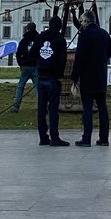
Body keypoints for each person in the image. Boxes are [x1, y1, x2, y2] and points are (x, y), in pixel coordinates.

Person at [71, 11, 111, 146]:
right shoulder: (104, 34)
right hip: (101, 76)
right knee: (102, 109)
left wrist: (74, 76)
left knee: (88, 108)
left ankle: (86, 138)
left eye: (82, 21)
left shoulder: (84, 36)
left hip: (87, 77)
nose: (81, 24)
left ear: (86, 21)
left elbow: (79, 57)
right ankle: (104, 138)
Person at [36, 15, 69, 146]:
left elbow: (33, 53)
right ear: (60, 27)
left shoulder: (40, 37)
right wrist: (59, 74)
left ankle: (43, 137)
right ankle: (54, 137)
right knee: (53, 109)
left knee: (41, 108)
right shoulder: (60, 40)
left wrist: (39, 65)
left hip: (41, 77)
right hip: (53, 78)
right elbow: (63, 60)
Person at [10, 21, 39, 112]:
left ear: (27, 29)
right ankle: (41, 107)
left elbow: (18, 54)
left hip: (25, 66)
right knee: (38, 88)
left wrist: (21, 64)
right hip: (35, 66)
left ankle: (16, 107)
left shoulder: (23, 40)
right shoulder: (38, 40)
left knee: (20, 87)